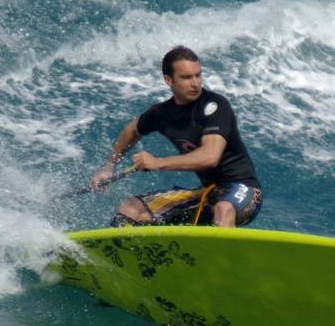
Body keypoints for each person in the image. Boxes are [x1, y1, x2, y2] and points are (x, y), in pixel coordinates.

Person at [91, 45, 262, 228]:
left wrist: (158, 162)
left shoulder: (215, 105)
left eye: (198, 75)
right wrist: (110, 165)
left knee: (223, 208)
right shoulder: (162, 113)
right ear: (168, 80)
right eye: (186, 77)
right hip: (206, 194)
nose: (195, 83)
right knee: (131, 208)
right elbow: (133, 129)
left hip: (244, 191)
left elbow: (210, 157)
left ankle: (223, 246)